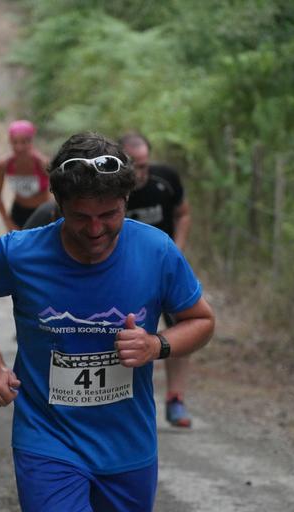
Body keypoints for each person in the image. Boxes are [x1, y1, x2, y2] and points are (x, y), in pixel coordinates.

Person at [0, 132, 215, 512]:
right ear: (59, 206)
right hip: (47, 438)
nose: (95, 230)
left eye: (109, 215)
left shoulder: (156, 250)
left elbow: (202, 320)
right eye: (80, 217)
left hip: (127, 444)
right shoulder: (19, 253)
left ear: (125, 200)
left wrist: (155, 345)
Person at [119, 131, 194, 428]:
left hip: (165, 270)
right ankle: (120, 403)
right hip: (126, 274)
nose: (141, 172)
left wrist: (177, 251)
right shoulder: (112, 190)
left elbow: (183, 214)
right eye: (134, 166)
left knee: (181, 327)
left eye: (144, 164)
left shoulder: (166, 178)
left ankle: (176, 399)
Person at [0, 120, 52, 231]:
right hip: (18, 213)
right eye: (15, 142)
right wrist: (8, 222)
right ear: (10, 142)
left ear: (31, 141)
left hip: (42, 212)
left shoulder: (43, 163)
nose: (19, 147)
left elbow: (60, 192)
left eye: (24, 142)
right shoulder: (3, 165)